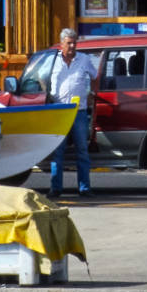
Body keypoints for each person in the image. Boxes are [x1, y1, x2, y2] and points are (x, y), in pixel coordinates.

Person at [47, 27, 98, 199]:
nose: (72, 46)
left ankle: (84, 188)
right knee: (58, 151)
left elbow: (95, 76)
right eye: (69, 43)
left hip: (79, 112)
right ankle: (56, 188)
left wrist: (92, 93)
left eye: (74, 43)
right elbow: (42, 79)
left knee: (82, 150)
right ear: (61, 44)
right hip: (59, 111)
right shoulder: (53, 61)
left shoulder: (84, 59)